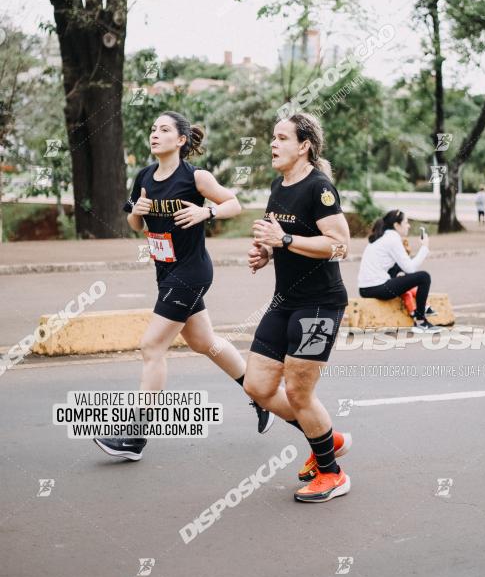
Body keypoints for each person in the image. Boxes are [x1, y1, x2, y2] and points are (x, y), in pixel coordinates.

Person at [93, 111, 273, 462]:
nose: (155, 134)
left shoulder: (195, 177)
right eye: (152, 129)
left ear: (180, 140)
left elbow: (233, 204)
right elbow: (134, 223)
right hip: (165, 272)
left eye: (164, 129)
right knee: (204, 342)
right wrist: (137, 211)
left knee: (152, 346)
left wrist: (206, 214)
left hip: (191, 272)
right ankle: (261, 394)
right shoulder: (144, 177)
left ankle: (135, 437)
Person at [244, 112, 352, 504]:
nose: (273, 144)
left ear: (303, 145)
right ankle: (327, 438)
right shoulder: (279, 185)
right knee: (257, 386)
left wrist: (284, 238)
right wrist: (266, 252)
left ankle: (332, 473)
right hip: (285, 300)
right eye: (272, 137)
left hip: (320, 305)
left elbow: (340, 244)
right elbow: (281, 238)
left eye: (281, 138)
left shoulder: (319, 188)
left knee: (299, 392)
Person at [357, 210, 439, 333]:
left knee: (399, 268)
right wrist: (424, 247)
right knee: (424, 277)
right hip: (378, 287)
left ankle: (421, 311)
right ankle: (421, 321)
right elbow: (410, 268)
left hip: (366, 289)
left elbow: (400, 267)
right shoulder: (392, 238)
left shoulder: (383, 236)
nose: (409, 225)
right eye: (406, 222)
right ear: (396, 225)